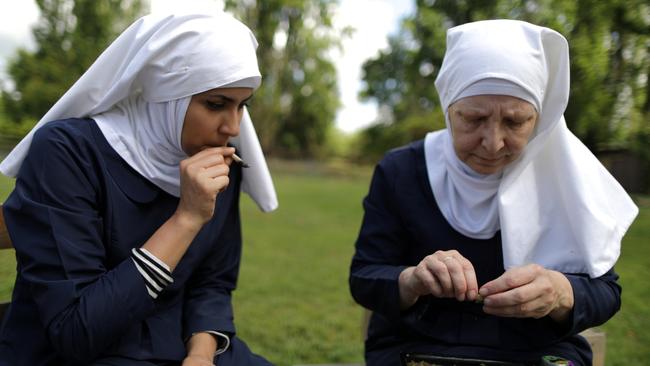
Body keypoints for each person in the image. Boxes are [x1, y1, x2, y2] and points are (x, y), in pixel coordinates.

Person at [349, 19, 639, 366]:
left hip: (535, 354)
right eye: (473, 119)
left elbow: (606, 291)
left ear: (540, 117)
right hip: (418, 347)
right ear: (448, 109)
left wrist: (561, 292)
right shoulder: (401, 171)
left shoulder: (564, 175)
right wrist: (411, 280)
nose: (493, 143)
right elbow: (365, 276)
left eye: (515, 122)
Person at [0, 9, 278, 366]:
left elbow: (213, 282)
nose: (233, 128)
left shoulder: (221, 163)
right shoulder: (68, 153)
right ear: (166, 93)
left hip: (179, 344)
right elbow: (75, 330)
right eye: (216, 104)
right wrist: (186, 219)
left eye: (243, 106)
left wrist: (202, 354)